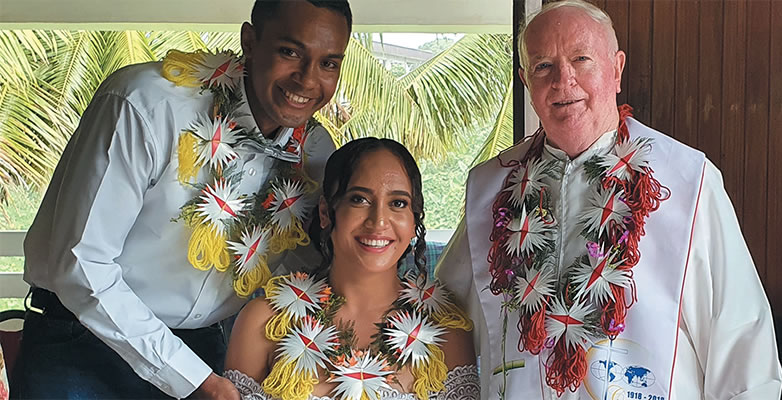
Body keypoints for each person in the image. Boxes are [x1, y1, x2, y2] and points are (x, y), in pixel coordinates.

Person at [436, 1, 782, 399]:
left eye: (581, 59)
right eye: (543, 66)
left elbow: (744, 349)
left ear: (616, 69)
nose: (563, 80)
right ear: (526, 82)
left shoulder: (688, 181)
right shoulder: (488, 190)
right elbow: (444, 314)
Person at [12, 0, 351, 398]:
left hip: (206, 349)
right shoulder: (146, 104)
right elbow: (81, 261)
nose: (308, 81)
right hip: (81, 343)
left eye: (329, 63)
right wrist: (194, 379)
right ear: (250, 41)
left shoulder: (312, 152)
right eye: (290, 52)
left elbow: (311, 259)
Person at [224, 137, 480, 399]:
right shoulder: (265, 323)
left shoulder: (447, 331)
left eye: (398, 203)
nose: (379, 220)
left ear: (415, 219)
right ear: (326, 212)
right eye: (359, 199)